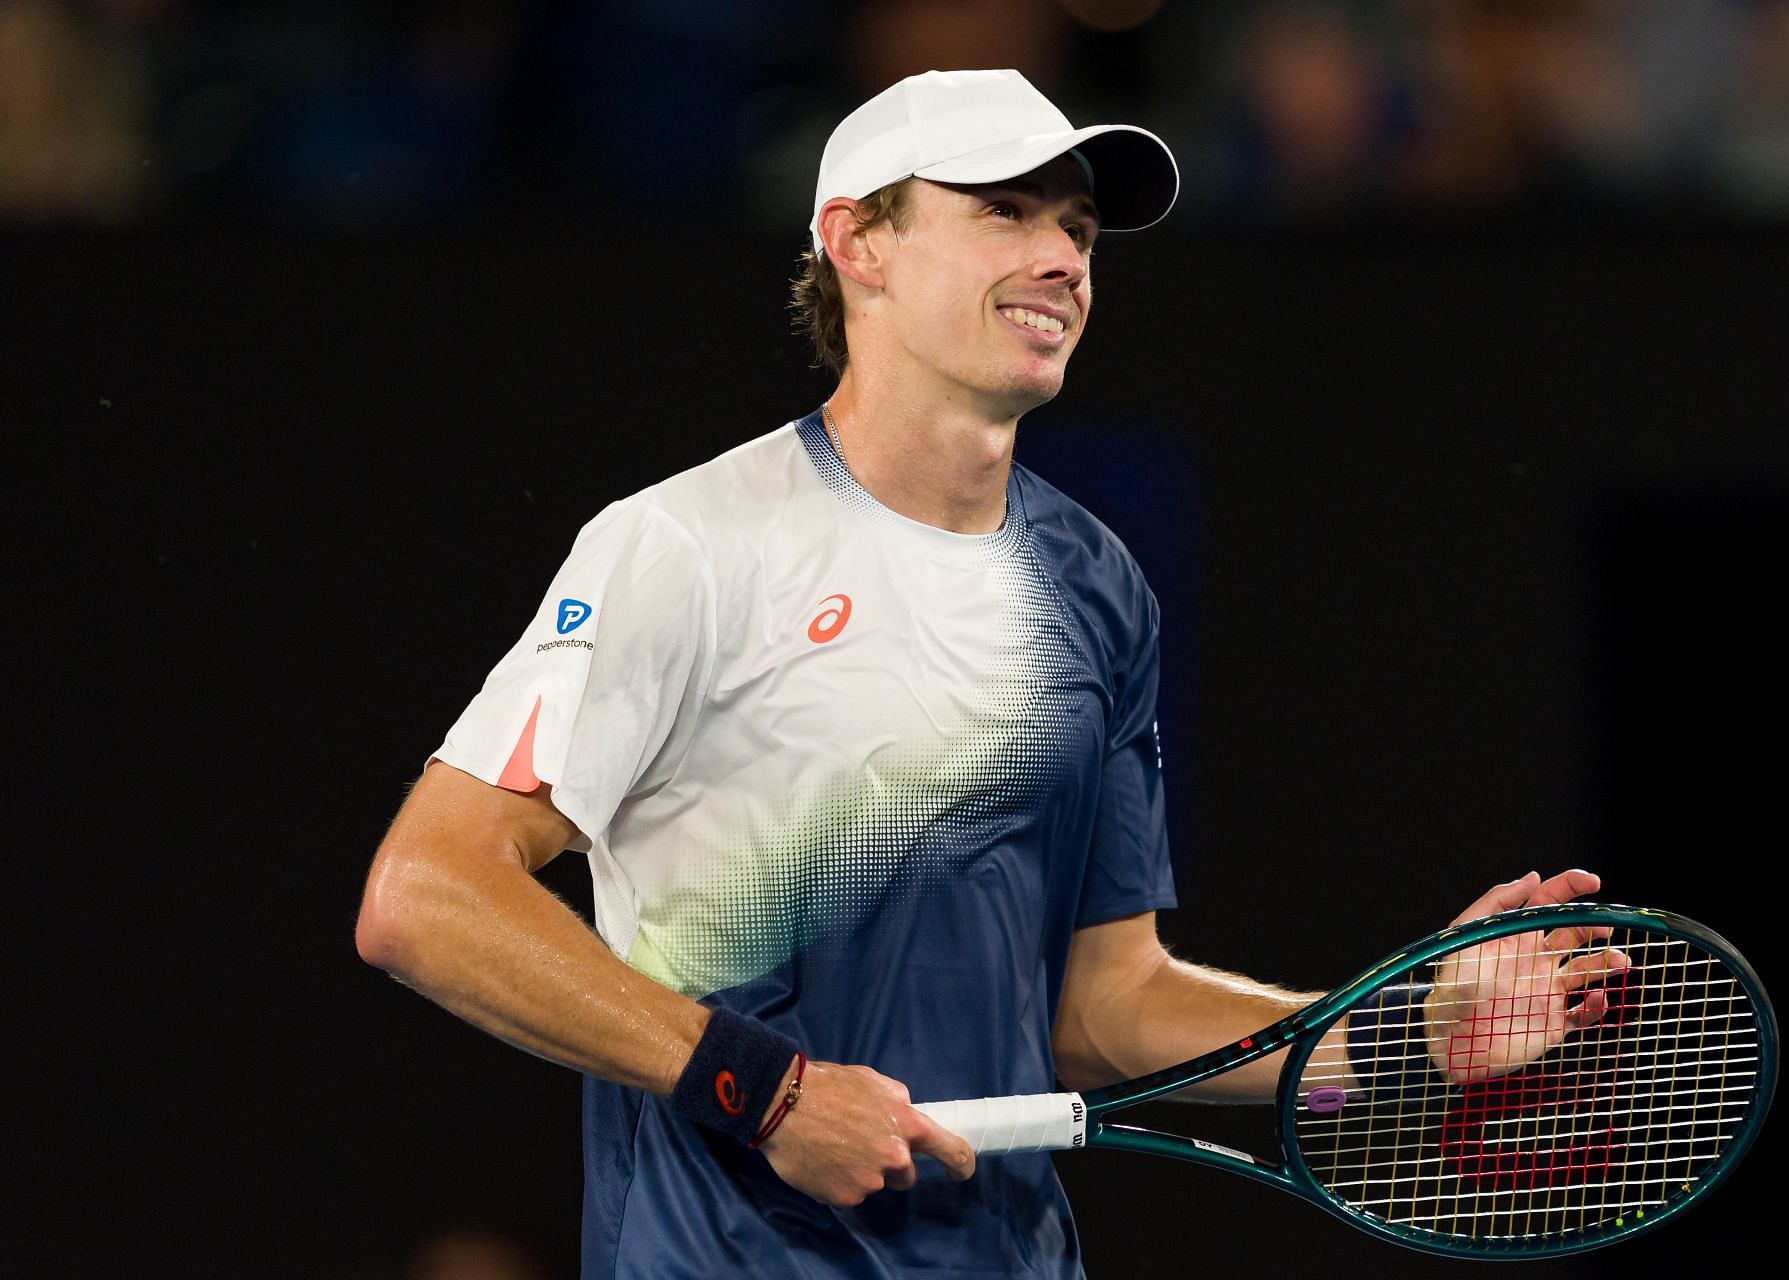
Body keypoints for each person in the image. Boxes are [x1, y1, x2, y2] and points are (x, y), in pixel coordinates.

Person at [355, 69, 1615, 1278]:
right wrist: (766, 1089)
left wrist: (1395, 1036)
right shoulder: (685, 545)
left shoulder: (1096, 584)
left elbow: (1107, 1003)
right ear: (859, 242)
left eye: (1077, 226)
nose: (1062, 256)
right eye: (1003, 210)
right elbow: (427, 894)